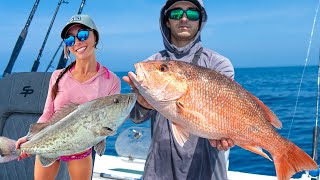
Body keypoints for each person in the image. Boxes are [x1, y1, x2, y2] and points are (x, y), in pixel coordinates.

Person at [123, 0, 235, 179]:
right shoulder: (153, 63)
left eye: (192, 14)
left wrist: (227, 135)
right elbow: (136, 117)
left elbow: (230, 113)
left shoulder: (218, 64)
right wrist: (143, 104)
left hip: (207, 170)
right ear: (166, 20)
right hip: (160, 170)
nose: (184, 19)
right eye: (176, 14)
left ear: (200, 21)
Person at [15, 14, 121, 180]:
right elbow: (48, 114)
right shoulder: (57, 75)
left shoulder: (111, 80)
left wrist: (106, 133)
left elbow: (110, 120)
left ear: (95, 36)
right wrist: (29, 139)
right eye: (70, 40)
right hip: (49, 144)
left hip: (81, 151)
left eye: (83, 34)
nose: (77, 42)